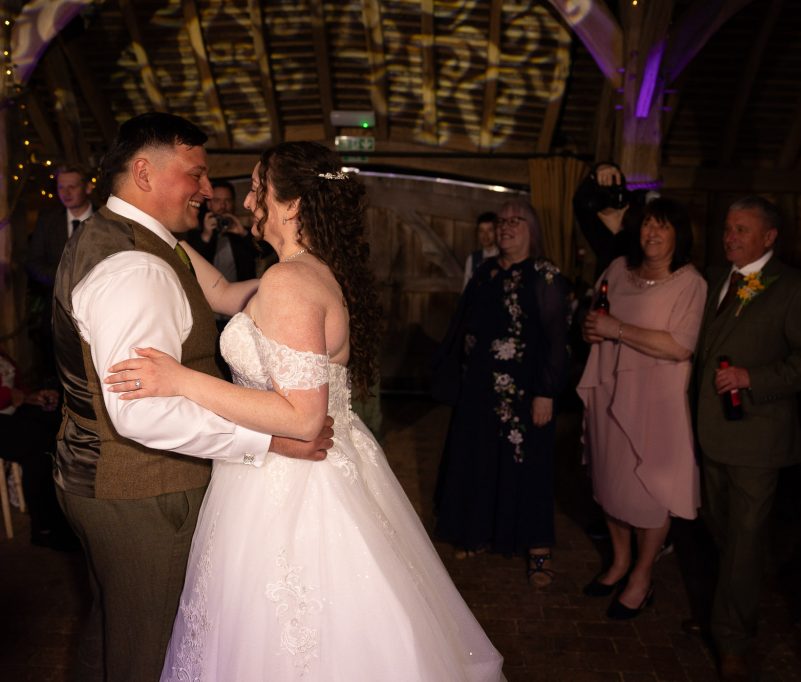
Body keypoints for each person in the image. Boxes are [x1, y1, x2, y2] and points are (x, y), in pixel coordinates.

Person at [104, 141, 504, 681]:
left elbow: (302, 418)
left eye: (256, 189)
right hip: (308, 470)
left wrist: (181, 380)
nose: (247, 203)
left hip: (291, 486)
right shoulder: (304, 271)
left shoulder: (289, 283)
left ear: (291, 205)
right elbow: (221, 292)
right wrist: (161, 232)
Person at [51, 113, 332, 681]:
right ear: (144, 172)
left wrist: (308, 277)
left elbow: (227, 295)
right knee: (149, 650)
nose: (208, 190)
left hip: (100, 477)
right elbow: (143, 413)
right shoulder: (134, 268)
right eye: (196, 174)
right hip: (144, 488)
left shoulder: (144, 240)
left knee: (114, 627)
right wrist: (267, 440)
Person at [693, 195, 801, 680]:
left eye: (742, 230)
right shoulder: (714, 278)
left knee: (746, 541)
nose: (730, 236)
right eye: (728, 228)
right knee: (723, 532)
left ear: (769, 238)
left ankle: (733, 640)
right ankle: (726, 610)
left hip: (757, 437)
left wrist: (756, 377)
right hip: (708, 432)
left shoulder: (797, 288)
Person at [577, 198, 707, 619]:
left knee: (649, 489)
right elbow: (596, 311)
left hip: (656, 399)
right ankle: (618, 562)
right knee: (610, 480)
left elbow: (679, 345)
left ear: (678, 235)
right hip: (610, 389)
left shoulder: (690, 284)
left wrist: (616, 329)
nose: (652, 233)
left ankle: (642, 575)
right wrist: (592, 329)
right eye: (648, 225)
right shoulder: (618, 270)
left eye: (663, 227)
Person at [433, 198, 571, 587]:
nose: (507, 227)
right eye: (503, 221)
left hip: (527, 390)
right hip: (480, 388)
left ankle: (538, 547)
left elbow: (557, 340)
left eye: (517, 221)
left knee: (530, 466)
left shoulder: (546, 277)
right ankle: (480, 531)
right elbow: (466, 326)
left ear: (533, 230)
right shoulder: (486, 272)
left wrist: (546, 392)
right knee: (481, 459)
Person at [0, 349, 76, 550]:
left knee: (56, 424)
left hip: (11, 414)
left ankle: (50, 523)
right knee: (39, 442)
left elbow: (16, 387)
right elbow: (8, 393)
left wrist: (32, 396)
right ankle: (47, 525)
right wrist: (10, 395)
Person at [26, 163, 96, 381]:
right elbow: (34, 263)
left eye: (72, 187)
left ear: (87, 188)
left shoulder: (105, 220)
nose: (65, 193)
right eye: (61, 187)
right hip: (56, 315)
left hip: (97, 313)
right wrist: (64, 281)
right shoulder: (48, 220)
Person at [185, 179, 263, 284]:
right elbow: (190, 265)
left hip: (244, 294)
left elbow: (264, 252)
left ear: (233, 203)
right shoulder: (196, 234)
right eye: (217, 201)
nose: (223, 206)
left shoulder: (243, 233)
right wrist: (206, 236)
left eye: (227, 201)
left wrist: (243, 233)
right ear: (209, 205)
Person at [463, 211, 498, 288]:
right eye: (481, 231)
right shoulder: (472, 259)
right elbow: (466, 289)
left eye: (490, 230)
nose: (485, 235)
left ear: (496, 232)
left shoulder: (503, 257)